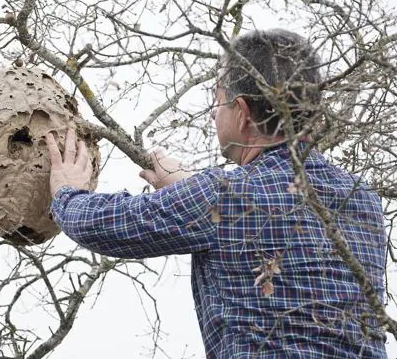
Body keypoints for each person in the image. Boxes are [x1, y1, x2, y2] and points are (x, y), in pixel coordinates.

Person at [44, 29, 388, 359]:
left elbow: (105, 226)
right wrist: (189, 190)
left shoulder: (222, 197)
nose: (213, 112)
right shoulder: (363, 199)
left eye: (218, 100)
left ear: (242, 112)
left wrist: (66, 191)